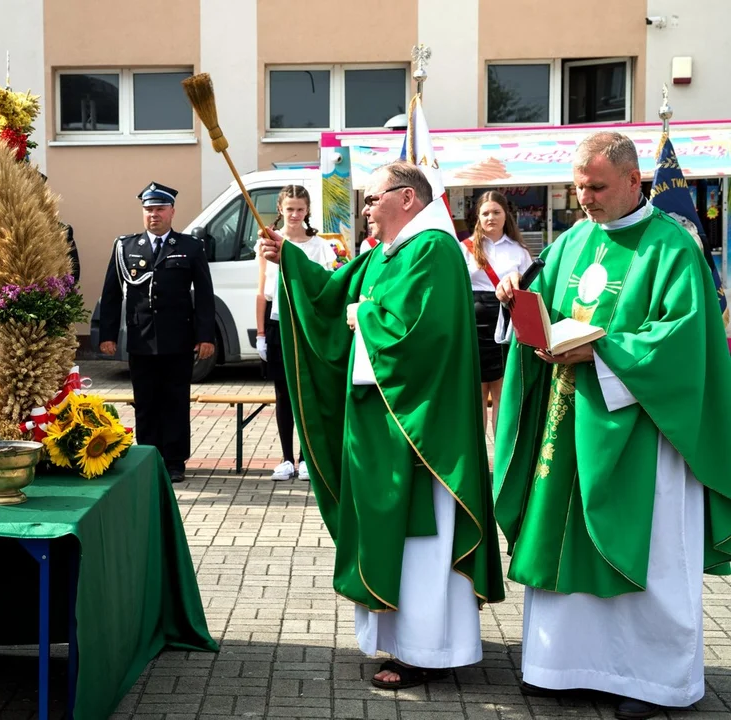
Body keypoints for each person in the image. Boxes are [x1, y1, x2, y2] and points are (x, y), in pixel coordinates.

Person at [493, 131, 731, 720]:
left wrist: (602, 352)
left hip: (644, 433)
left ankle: (652, 681)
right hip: (570, 420)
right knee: (565, 542)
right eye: (578, 187)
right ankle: (566, 667)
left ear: (633, 181)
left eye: (596, 187)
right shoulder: (573, 239)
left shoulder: (673, 248)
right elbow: (543, 308)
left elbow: (683, 342)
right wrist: (517, 301)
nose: (585, 199)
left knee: (648, 553)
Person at [260, 161, 504, 689]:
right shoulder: (383, 254)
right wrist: (290, 260)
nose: (365, 208)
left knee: (419, 540)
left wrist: (363, 316)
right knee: (390, 536)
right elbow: (330, 296)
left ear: (407, 199)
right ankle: (398, 641)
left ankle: (426, 649)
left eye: (373, 199)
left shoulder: (433, 249)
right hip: (379, 423)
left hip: (418, 429)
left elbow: (422, 333)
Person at [98, 181, 215, 483]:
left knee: (176, 400)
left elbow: (204, 294)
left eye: (160, 209)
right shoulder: (126, 247)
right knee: (146, 402)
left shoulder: (190, 247)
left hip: (178, 339)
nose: (154, 215)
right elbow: (111, 292)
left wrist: (205, 336)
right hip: (141, 340)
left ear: (172, 211)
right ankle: (149, 456)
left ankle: (175, 461)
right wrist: (108, 335)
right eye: (148, 209)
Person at [256, 185, 336, 481]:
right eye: (289, 208)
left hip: (306, 323)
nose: (294, 214)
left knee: (307, 390)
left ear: (307, 210)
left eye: (300, 209)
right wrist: (261, 334)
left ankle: (307, 458)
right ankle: (286, 457)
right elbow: (262, 291)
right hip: (278, 323)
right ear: (280, 209)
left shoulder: (319, 245)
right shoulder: (267, 243)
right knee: (283, 393)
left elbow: (326, 285)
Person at [459, 191, 532, 433]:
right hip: (473, 325)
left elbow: (530, 289)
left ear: (506, 215)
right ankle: (480, 458)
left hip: (507, 324)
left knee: (501, 392)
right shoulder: (464, 248)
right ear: (478, 217)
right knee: (477, 394)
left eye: (496, 212)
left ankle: (500, 455)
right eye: (485, 213)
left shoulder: (519, 250)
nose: (491, 217)